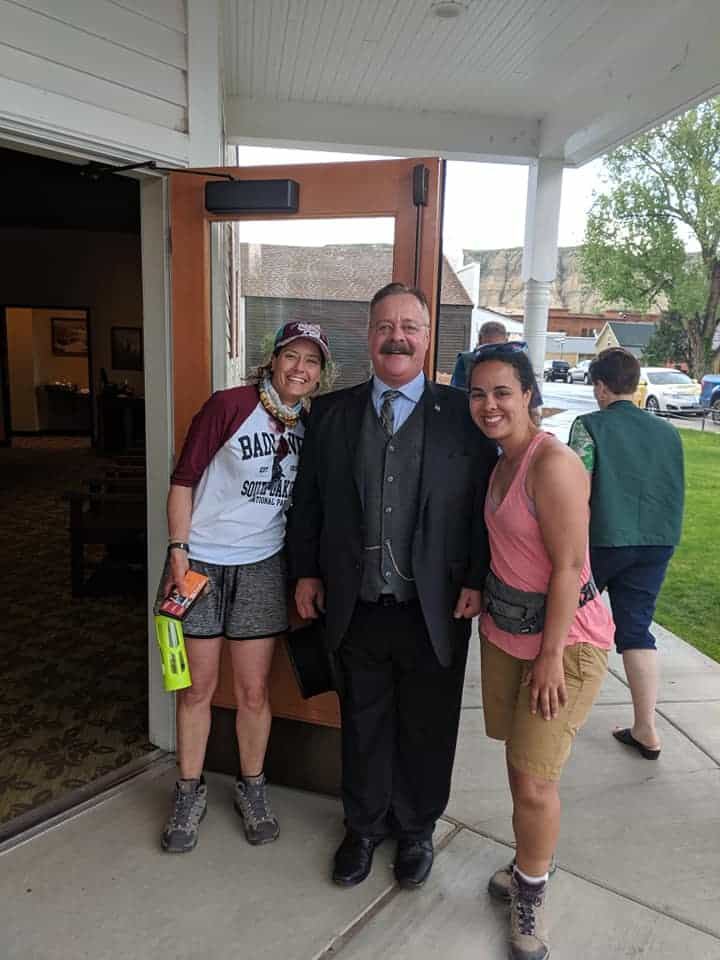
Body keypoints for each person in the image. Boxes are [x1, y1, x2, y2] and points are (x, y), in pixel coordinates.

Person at [287, 282, 497, 890]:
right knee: (363, 721)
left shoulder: (464, 415)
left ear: (428, 338)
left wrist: (479, 579)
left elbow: (486, 505)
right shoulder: (332, 412)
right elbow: (310, 502)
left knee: (428, 725)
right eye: (385, 326)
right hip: (354, 605)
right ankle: (362, 826)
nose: (397, 336)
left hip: (436, 606)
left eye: (409, 326)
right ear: (369, 336)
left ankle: (415, 830)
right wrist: (305, 570)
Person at [158, 321, 330, 853]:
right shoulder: (229, 406)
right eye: (291, 357)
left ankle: (252, 787)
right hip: (202, 565)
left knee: (254, 691)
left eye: (312, 361)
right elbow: (183, 480)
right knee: (197, 689)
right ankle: (188, 790)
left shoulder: (315, 424)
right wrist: (178, 551)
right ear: (273, 360)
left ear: (322, 374)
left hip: (261, 566)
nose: (299, 369)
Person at [468, 346, 613, 960]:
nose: (488, 405)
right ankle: (529, 858)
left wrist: (551, 656)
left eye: (502, 391)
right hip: (505, 633)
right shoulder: (499, 461)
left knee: (534, 782)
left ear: (528, 392)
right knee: (519, 764)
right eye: (478, 394)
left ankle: (531, 892)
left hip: (564, 642)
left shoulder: (551, 463)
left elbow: (568, 567)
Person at [569, 347, 684, 759]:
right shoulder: (668, 431)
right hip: (656, 541)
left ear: (600, 387)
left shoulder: (589, 427)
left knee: (567, 616)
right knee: (636, 630)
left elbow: (576, 490)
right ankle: (646, 728)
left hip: (603, 540)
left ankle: (551, 706)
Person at [451, 320, 543, 424]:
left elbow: (533, 409)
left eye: (502, 393)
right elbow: (457, 400)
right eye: (488, 349)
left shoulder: (519, 363)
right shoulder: (465, 361)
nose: (494, 356)